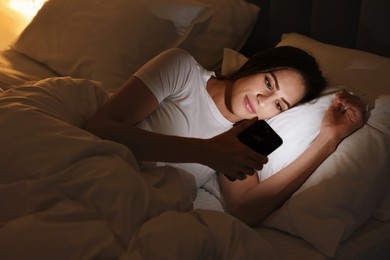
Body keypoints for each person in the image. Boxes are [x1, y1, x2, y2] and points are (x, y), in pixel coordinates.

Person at [83, 46, 364, 227]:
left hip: (135, 211)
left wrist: (328, 140)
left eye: (279, 105)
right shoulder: (182, 70)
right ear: (256, 65)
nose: (264, 100)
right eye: (269, 83)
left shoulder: (239, 139)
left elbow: (245, 210)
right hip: (98, 178)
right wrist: (205, 151)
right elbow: (99, 128)